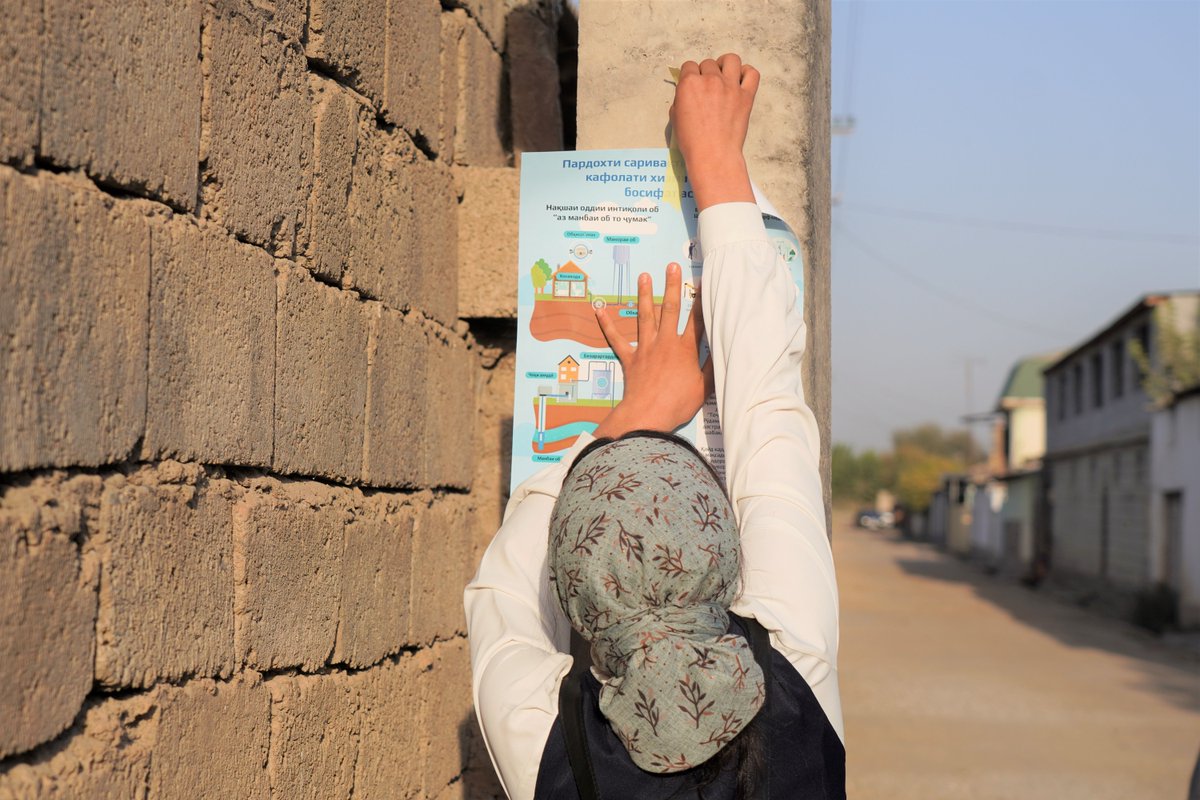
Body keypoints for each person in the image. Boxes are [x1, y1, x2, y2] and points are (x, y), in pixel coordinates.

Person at [465, 54, 845, 800]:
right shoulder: (795, 680)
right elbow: (769, 415)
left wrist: (632, 412)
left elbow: (502, 593)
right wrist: (717, 165)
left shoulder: (557, 746)